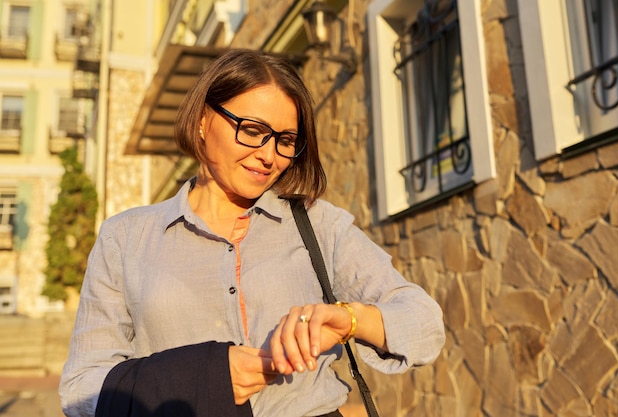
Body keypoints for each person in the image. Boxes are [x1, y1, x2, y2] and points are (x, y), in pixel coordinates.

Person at [59, 48, 445, 417]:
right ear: (201, 120)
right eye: (253, 129)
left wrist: (349, 319)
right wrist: (206, 377)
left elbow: (424, 323)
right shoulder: (125, 239)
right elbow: (82, 388)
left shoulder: (319, 225)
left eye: (285, 140)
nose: (269, 154)